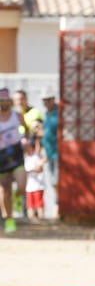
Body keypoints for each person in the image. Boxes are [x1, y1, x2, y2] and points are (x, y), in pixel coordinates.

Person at [0, 87, 28, 233]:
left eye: (6, 99)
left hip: (16, 152)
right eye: (1, 100)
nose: (4, 103)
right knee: (5, 189)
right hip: (1, 155)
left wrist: (26, 140)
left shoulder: (17, 116)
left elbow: (26, 129)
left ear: (9, 101)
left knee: (22, 184)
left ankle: (18, 197)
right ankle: (8, 219)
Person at [40, 92, 59, 219]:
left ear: (53, 99)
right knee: (53, 182)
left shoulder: (59, 114)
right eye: (44, 100)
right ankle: (58, 206)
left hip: (58, 153)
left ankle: (58, 207)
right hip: (49, 153)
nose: (46, 103)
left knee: (57, 181)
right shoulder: (47, 115)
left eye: (48, 100)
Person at [22, 137, 45, 221]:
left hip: (38, 186)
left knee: (39, 206)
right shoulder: (25, 159)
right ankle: (31, 222)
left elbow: (40, 169)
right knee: (29, 206)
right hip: (29, 187)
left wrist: (32, 170)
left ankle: (41, 221)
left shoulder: (36, 157)